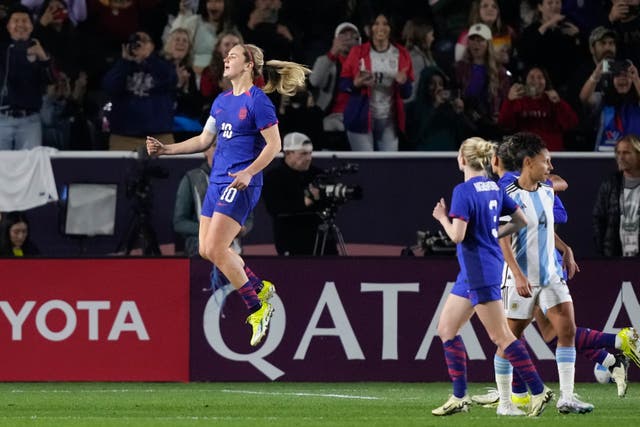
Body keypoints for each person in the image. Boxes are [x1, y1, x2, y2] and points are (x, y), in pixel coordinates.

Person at [146, 43, 309, 346]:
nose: (226, 59)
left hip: (240, 183)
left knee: (218, 248)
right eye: (226, 55)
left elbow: (275, 146)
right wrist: (167, 149)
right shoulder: (221, 101)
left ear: (248, 65)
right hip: (218, 182)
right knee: (207, 250)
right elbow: (203, 140)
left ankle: (258, 307)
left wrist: (249, 172)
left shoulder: (258, 101)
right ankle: (259, 287)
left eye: (233, 56)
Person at [431, 136, 553, 417]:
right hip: (476, 270)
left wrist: (441, 218)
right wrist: (495, 234)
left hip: (478, 270)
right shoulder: (493, 187)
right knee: (446, 330)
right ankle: (459, 397)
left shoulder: (463, 190)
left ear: (463, 159)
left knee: (502, 337)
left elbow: (457, 236)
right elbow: (521, 219)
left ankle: (539, 390)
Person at [495, 132, 595, 414]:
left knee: (567, 330)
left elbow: (545, 227)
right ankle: (505, 404)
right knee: (509, 339)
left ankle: (567, 397)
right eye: (546, 162)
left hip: (551, 275)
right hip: (521, 279)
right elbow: (503, 238)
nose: (550, 167)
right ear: (528, 162)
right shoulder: (510, 196)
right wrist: (517, 274)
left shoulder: (547, 191)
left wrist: (565, 248)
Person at [339, 12, 414, 151]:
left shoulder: (402, 54)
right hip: (360, 118)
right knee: (366, 167)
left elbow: (407, 93)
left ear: (391, 28)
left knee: (389, 167)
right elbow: (343, 85)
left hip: (389, 121)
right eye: (376, 24)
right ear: (370, 29)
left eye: (385, 24)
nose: (381, 27)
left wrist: (403, 83)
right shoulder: (357, 52)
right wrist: (355, 84)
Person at [262, 132, 338, 256]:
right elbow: (275, 208)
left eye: (310, 153)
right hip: (291, 240)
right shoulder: (274, 177)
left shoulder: (319, 175)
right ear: (288, 153)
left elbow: (331, 204)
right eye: (303, 154)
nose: (308, 158)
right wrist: (305, 202)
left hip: (322, 241)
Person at [102, 30, 177, 151]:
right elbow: (110, 87)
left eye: (144, 41)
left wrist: (150, 59)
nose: (139, 45)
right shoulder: (119, 64)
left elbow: (170, 80)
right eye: (135, 42)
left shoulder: (163, 64)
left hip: (160, 136)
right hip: (123, 137)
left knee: (166, 170)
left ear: (152, 46)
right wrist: (125, 63)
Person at [0, 4, 55, 150]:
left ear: (31, 26)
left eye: (25, 21)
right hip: (2, 119)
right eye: (15, 21)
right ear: (7, 26)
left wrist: (43, 58)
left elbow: (51, 80)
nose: (20, 25)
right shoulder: (2, 50)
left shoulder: (40, 49)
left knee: (30, 166)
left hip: (30, 121)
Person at [498, 66, 578, 151]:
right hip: (524, 154)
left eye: (540, 77)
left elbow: (572, 123)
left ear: (546, 82)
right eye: (532, 77)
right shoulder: (517, 101)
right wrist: (509, 101)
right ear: (525, 81)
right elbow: (504, 124)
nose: (536, 81)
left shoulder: (553, 101)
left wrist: (559, 103)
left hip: (551, 154)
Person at [454, 23, 510, 140]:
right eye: (473, 40)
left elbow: (505, 100)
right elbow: (455, 91)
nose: (476, 44)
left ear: (488, 44)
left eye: (480, 40)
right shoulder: (459, 68)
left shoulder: (500, 72)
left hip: (490, 127)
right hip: (465, 125)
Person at [308, 22, 361, 138]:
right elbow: (314, 81)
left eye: (352, 36)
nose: (347, 39)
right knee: (331, 126)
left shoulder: (365, 63)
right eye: (343, 36)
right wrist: (333, 52)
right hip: (332, 116)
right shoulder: (326, 61)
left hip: (358, 116)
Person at [593, 134, 640, 257]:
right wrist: (604, 251)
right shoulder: (610, 184)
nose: (620, 157)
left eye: (626, 153)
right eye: (618, 153)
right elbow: (599, 219)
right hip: (616, 255)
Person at [593, 60, 640, 151]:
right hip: (605, 154)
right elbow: (584, 98)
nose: (622, 78)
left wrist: (636, 78)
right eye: (617, 75)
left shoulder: (637, 102)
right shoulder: (603, 100)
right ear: (611, 79)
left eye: (626, 75)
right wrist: (595, 75)